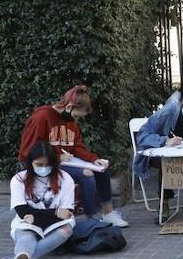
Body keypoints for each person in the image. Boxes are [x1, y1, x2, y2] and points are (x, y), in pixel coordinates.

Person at [18, 85, 128, 227]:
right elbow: (30, 150)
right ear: (69, 106)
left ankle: (108, 213)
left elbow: (77, 146)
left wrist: (94, 160)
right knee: (87, 174)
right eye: (76, 116)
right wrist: (56, 157)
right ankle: (92, 219)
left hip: (65, 163)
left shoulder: (71, 122)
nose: (76, 121)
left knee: (101, 170)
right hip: (44, 164)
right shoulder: (42, 117)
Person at [0, 141, 76, 259]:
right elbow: (22, 211)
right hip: (29, 224)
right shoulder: (19, 179)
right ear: (30, 163)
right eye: (39, 165)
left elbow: (66, 212)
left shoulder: (65, 179)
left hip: (55, 225)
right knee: (27, 237)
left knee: (66, 230)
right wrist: (55, 213)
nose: (43, 168)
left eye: (47, 165)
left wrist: (36, 215)